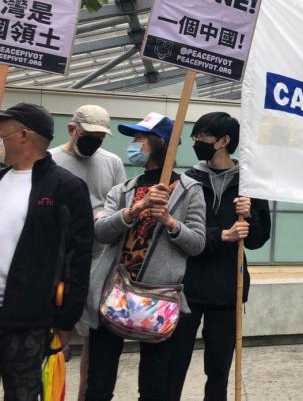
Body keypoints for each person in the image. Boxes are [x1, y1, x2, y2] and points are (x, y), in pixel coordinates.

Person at [83, 112, 206, 401]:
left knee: (153, 386)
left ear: (160, 142)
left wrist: (170, 221)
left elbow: (198, 243)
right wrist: (134, 210)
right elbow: (101, 231)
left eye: (140, 137)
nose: (134, 143)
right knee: (98, 383)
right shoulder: (123, 189)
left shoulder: (189, 191)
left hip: (157, 299)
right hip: (112, 294)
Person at [167, 112, 271, 401]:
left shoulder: (250, 184)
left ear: (224, 141)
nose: (197, 142)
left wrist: (250, 216)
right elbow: (178, 232)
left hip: (228, 289)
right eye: (196, 137)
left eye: (203, 137)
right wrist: (220, 235)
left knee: (219, 370)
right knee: (173, 365)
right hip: (185, 287)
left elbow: (258, 240)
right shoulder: (188, 181)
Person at [0, 103, 94, 401]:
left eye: (4, 130)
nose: (0, 136)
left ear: (24, 135)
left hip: (30, 318)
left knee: (24, 394)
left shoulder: (65, 187)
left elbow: (79, 257)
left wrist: (66, 319)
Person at [49, 104, 126, 401]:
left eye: (100, 137)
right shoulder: (52, 160)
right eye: (88, 135)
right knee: (55, 339)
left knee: (94, 343)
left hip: (99, 263)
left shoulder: (112, 163)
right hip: (60, 264)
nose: (94, 142)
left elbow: (119, 209)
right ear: (72, 129)